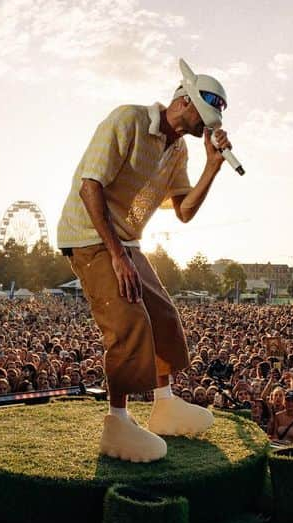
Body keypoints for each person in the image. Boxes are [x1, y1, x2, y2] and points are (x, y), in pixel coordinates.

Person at [55, 59, 231, 462]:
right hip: (89, 234)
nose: (205, 126)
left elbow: (183, 210)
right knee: (129, 321)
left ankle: (164, 403)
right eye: (202, 117)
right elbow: (89, 187)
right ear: (182, 101)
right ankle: (117, 424)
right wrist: (117, 256)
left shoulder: (179, 150)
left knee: (164, 316)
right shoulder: (128, 119)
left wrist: (213, 166)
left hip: (129, 240)